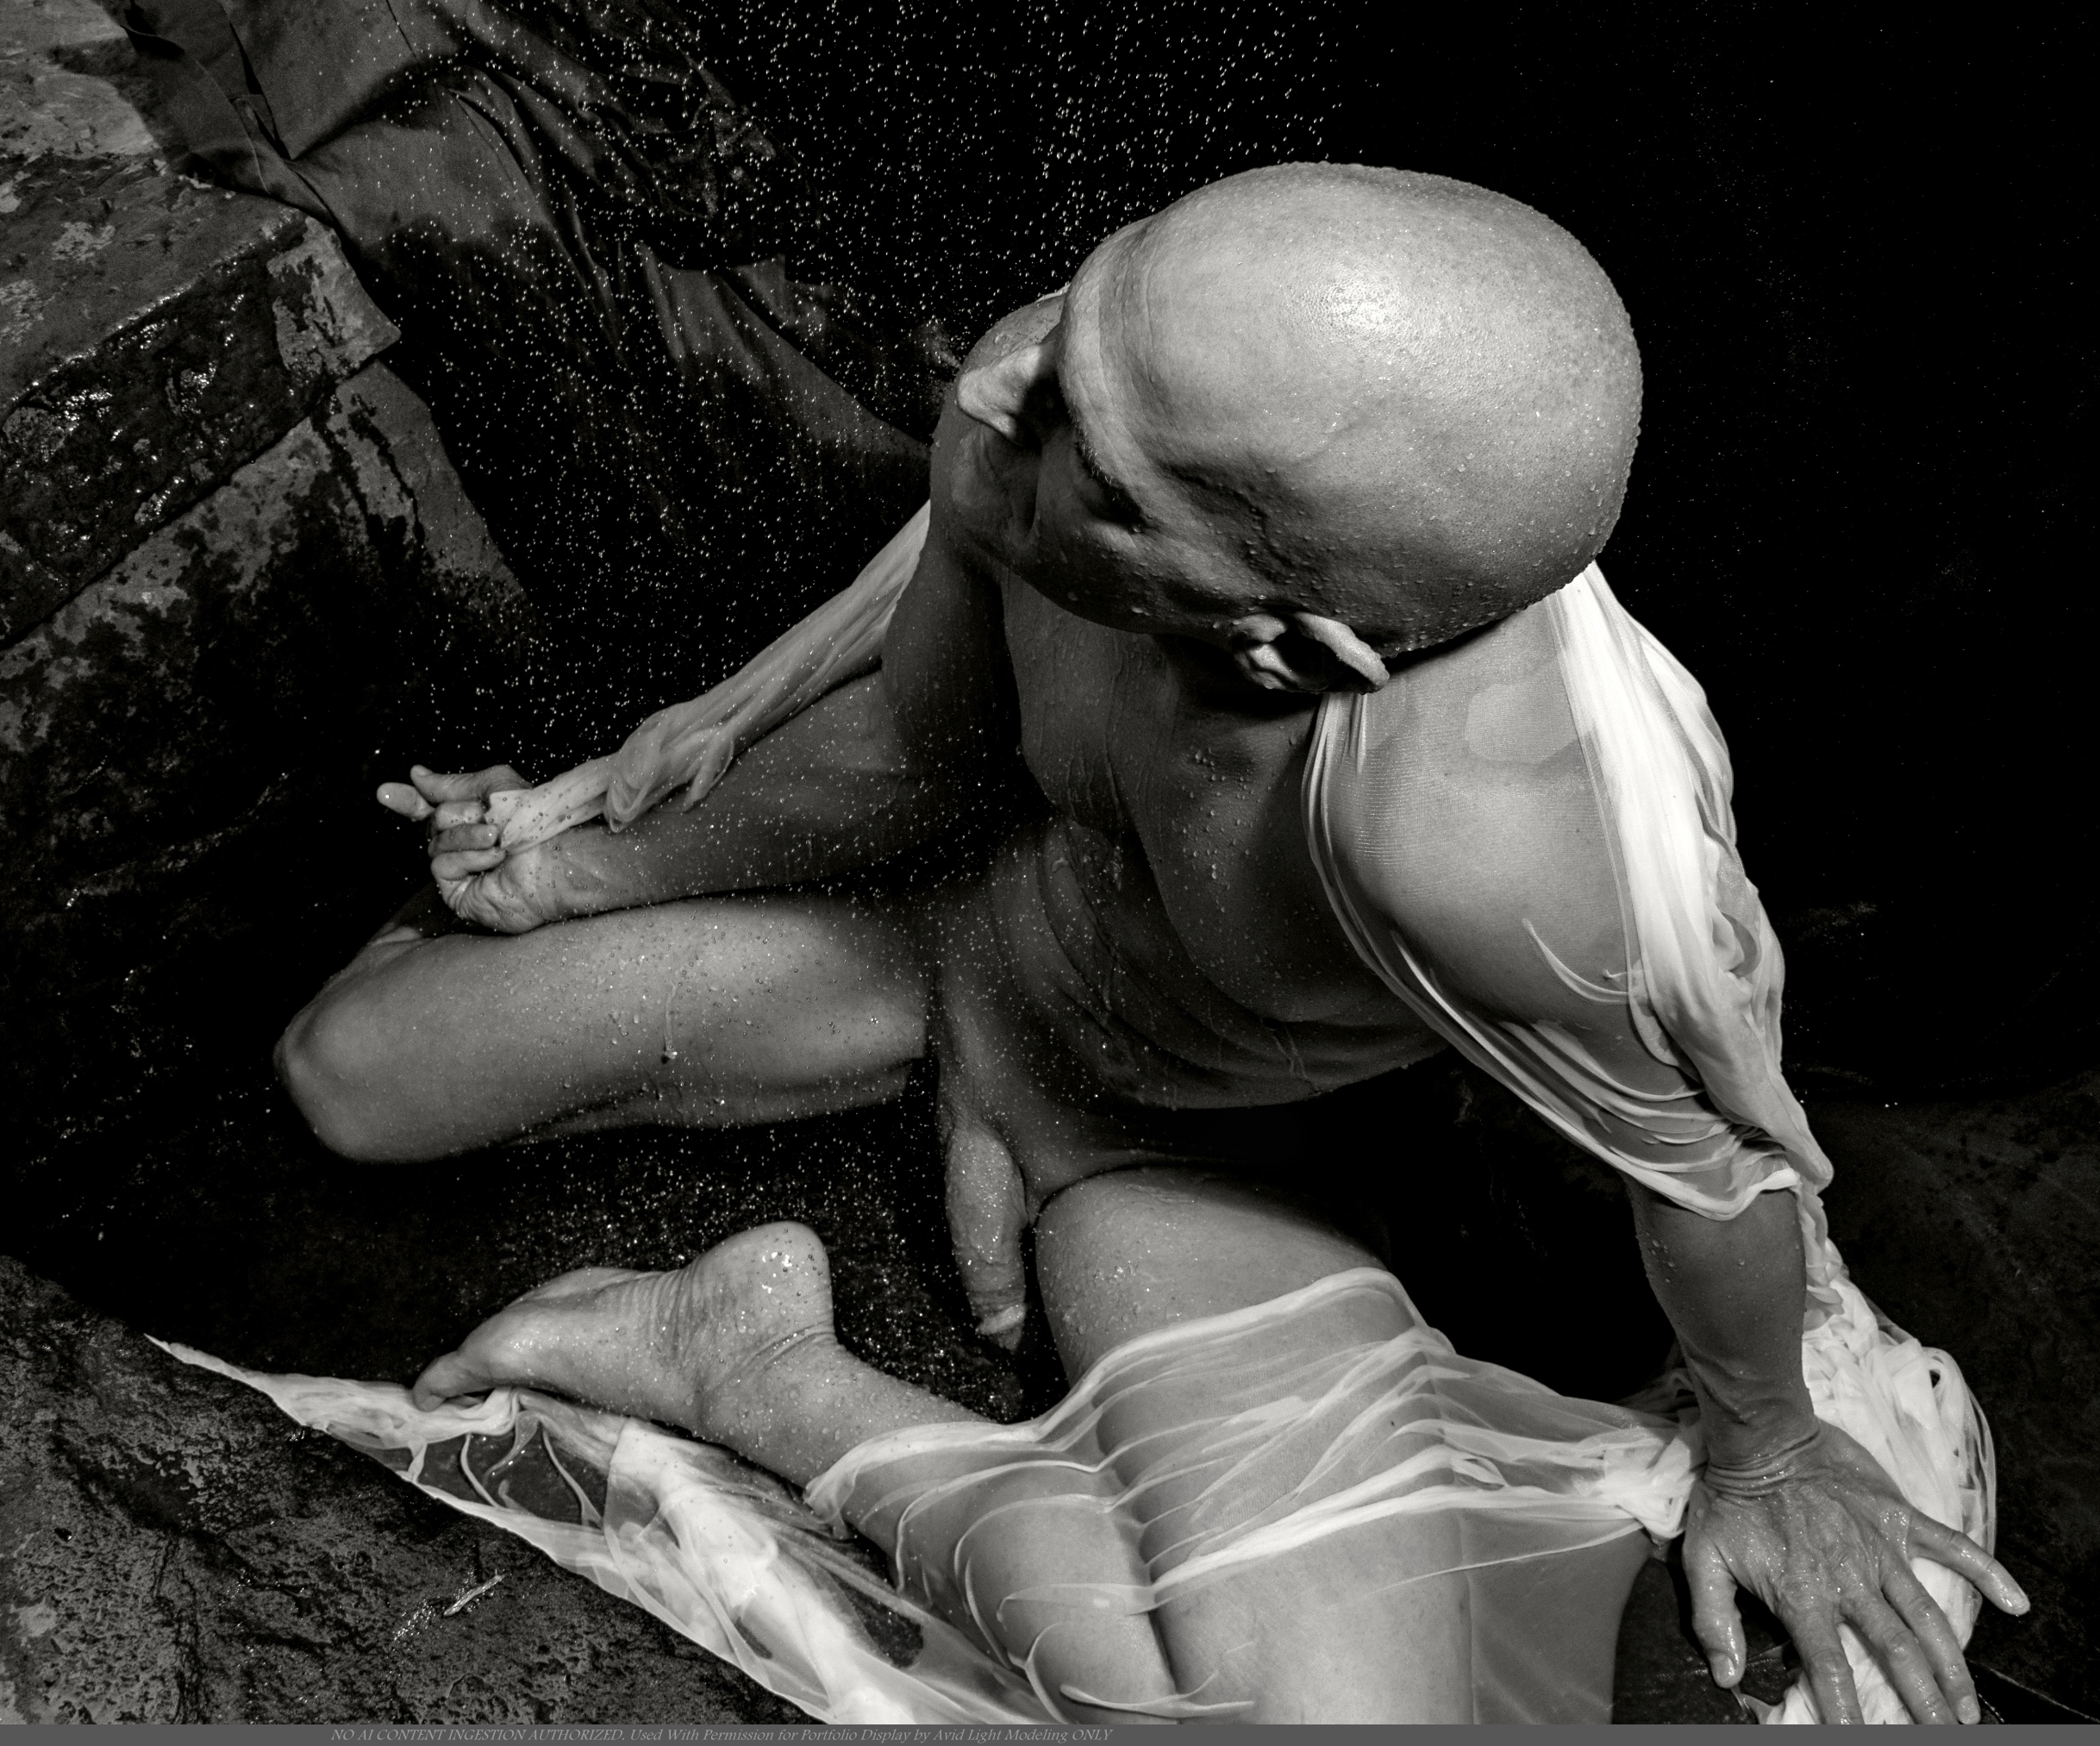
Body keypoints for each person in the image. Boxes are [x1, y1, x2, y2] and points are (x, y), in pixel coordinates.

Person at [277, 163, 2024, 1721]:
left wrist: (1767, 1450)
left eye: (1093, 454)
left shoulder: (1502, 840)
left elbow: (1713, 1168)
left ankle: (750, 1361)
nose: (999, 387)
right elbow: (920, 742)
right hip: (953, 946)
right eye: (1090, 316)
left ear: (1293, 647)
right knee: (349, 1076)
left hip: (1174, 1143)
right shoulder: (1076, 386)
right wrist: (583, 850)